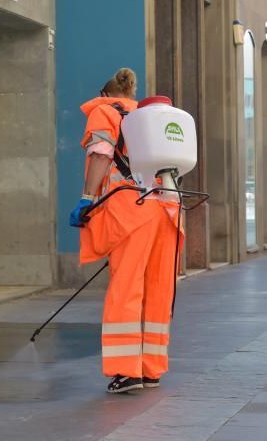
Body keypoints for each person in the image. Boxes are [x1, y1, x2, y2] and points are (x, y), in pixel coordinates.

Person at [70, 68, 183, 394]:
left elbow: (102, 157)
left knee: (127, 286)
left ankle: (126, 371)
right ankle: (151, 368)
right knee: (158, 287)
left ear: (105, 94)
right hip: (169, 210)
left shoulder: (104, 112)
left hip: (131, 209)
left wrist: (86, 199)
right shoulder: (154, 117)